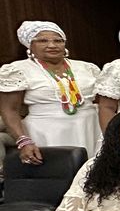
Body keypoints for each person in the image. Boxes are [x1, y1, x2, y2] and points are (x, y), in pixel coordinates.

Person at [0, 21, 102, 162]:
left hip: (91, 128)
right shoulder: (17, 70)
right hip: (46, 133)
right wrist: (23, 141)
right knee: (60, 173)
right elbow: (9, 110)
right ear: (30, 45)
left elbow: (103, 102)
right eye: (42, 40)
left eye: (58, 40)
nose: (52, 45)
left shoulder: (87, 67)